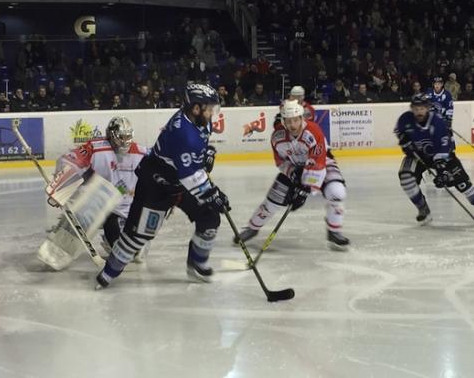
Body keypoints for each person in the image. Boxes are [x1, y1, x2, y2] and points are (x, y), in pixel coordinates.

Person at [95, 83, 230, 289]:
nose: (213, 112)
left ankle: (197, 263)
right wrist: (211, 194)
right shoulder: (184, 133)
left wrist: (206, 154)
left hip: (178, 181)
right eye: (209, 108)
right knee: (138, 236)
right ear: (195, 108)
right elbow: (189, 175)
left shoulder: (200, 121)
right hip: (156, 184)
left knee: (209, 217)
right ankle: (109, 272)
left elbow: (192, 161)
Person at [236, 100, 350, 250]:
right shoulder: (277, 137)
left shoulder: (313, 131)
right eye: (288, 121)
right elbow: (280, 162)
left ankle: (334, 231)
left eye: (296, 120)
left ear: (302, 118)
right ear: (283, 121)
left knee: (337, 192)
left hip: (323, 164)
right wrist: (292, 172)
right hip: (295, 167)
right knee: (273, 199)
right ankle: (252, 227)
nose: (293, 125)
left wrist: (305, 188)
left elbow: (318, 161)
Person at [38, 117, 149, 271]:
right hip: (95, 200)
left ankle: (111, 240)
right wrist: (62, 188)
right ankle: (69, 227)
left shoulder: (142, 152)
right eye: (121, 137)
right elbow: (68, 161)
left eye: (127, 136)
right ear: (111, 134)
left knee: (132, 253)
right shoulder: (95, 148)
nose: (125, 141)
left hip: (125, 209)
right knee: (86, 214)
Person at [394, 94, 474, 224]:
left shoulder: (437, 122)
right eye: (416, 108)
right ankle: (423, 209)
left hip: (442, 155)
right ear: (412, 108)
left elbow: (443, 149)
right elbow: (400, 133)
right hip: (418, 156)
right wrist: (405, 142)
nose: (419, 112)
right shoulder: (405, 119)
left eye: (422, 108)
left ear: (427, 108)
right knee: (405, 177)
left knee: (463, 184)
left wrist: (443, 173)